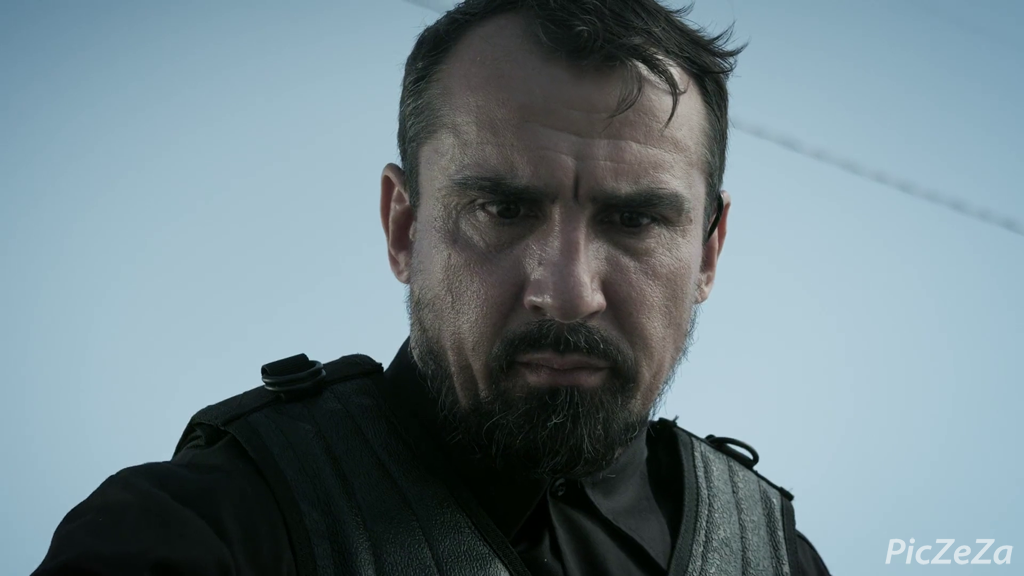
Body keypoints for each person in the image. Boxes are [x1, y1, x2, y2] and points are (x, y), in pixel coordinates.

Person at [33, 0, 832, 574]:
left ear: (708, 253)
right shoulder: (208, 531)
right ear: (403, 228)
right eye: (503, 210)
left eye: (634, 220)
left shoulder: (775, 555)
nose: (567, 292)